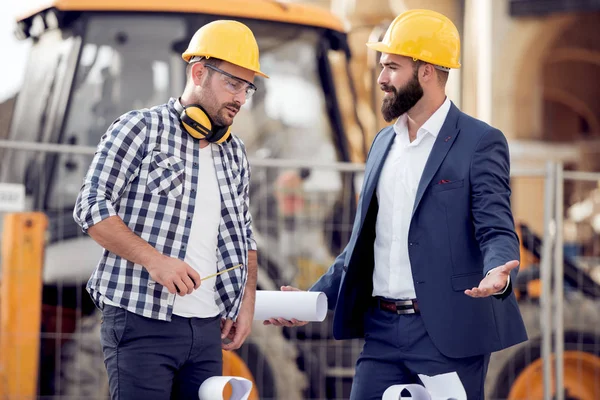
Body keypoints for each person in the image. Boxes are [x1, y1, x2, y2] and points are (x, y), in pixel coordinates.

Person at [265, 9, 528, 399]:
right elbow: (360, 247)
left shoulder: (479, 141)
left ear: (426, 71)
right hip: (382, 333)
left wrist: (498, 271)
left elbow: (496, 227)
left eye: (391, 66)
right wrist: (307, 300)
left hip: (448, 333)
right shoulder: (382, 144)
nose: (381, 79)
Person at [73, 19, 268, 400]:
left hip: (207, 328)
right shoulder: (139, 129)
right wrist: (155, 261)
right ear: (198, 72)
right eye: (232, 83)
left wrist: (246, 306)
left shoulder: (235, 152)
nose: (240, 98)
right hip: (140, 320)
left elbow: (244, 234)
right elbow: (90, 207)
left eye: (247, 87)